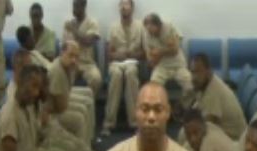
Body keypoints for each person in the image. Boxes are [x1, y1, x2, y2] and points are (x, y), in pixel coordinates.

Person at [102, 0, 145, 135]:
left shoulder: (140, 26)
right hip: (116, 63)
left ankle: (135, 122)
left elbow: (144, 53)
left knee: (131, 73)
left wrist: (131, 54)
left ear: (132, 8)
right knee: (116, 75)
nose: (123, 7)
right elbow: (108, 54)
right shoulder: (113, 27)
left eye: (126, 5)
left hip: (133, 63)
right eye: (121, 5)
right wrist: (118, 55)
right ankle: (109, 123)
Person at [189, 53, 246, 140]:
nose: (194, 77)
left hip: (234, 140)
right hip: (222, 134)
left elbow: (208, 126)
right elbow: (196, 109)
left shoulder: (214, 91)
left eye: (198, 72)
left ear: (208, 71)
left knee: (191, 140)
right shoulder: (204, 85)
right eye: (192, 72)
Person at [142, 13, 192, 110]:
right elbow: (151, 60)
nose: (149, 32)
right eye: (147, 28)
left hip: (178, 66)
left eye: (151, 28)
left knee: (191, 87)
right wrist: (156, 57)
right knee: (153, 88)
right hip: (161, 67)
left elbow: (174, 50)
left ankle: (182, 107)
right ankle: (161, 109)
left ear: (158, 25)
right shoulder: (147, 35)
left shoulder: (169, 28)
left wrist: (159, 52)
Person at [63, 0, 102, 95]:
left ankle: (89, 102)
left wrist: (74, 30)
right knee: (63, 78)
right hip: (71, 63)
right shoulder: (68, 24)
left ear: (84, 6)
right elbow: (64, 46)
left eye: (76, 6)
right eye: (73, 6)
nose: (74, 9)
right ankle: (70, 102)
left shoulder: (92, 23)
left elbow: (88, 42)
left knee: (96, 78)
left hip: (87, 64)